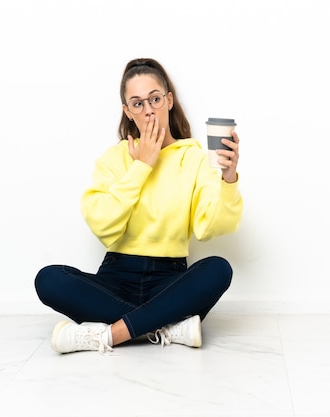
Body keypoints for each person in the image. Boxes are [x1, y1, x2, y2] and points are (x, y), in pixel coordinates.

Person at [34, 58, 243, 354]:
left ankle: (107, 336)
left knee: (218, 269)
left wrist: (228, 178)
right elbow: (102, 223)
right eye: (137, 103)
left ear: (169, 101)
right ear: (127, 111)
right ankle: (167, 326)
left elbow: (209, 228)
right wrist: (142, 166)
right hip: (116, 277)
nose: (148, 110)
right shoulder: (116, 158)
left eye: (155, 99)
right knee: (49, 279)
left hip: (170, 278)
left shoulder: (195, 158)